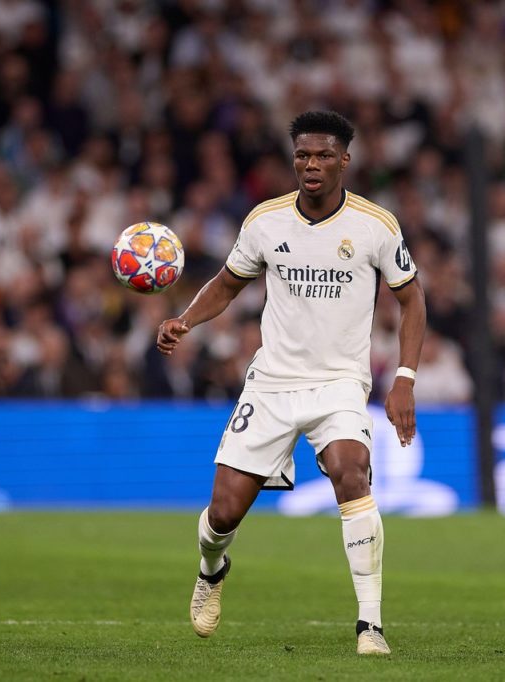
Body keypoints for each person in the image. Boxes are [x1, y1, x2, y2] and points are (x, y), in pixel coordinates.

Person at [156, 110, 426, 655]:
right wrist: (185, 319)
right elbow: (229, 284)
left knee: (353, 473)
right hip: (273, 383)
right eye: (303, 155)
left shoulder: (376, 224)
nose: (312, 165)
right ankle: (212, 571)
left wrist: (404, 379)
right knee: (224, 512)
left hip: (340, 383)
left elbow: (412, 297)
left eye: (324, 155)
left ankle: (369, 625)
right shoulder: (265, 221)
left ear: (345, 160)